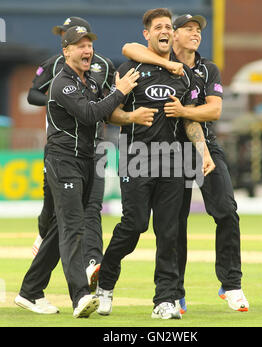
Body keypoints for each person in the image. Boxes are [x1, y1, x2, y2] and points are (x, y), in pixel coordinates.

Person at [16, 26, 156, 318]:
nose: (87, 50)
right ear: (66, 51)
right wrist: (120, 91)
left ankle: (30, 291)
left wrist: (129, 109)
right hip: (64, 159)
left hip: (88, 159)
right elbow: (92, 114)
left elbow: (105, 110)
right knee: (72, 227)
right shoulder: (62, 83)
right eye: (79, 45)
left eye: (89, 45)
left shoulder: (90, 82)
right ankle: (80, 295)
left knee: (59, 229)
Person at [122, 13, 249, 312]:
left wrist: (184, 113)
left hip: (204, 145)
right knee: (172, 225)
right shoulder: (156, 60)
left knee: (227, 211)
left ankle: (231, 284)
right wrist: (167, 64)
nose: (195, 33)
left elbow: (214, 111)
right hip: (170, 151)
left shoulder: (208, 69)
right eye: (188, 29)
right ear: (173, 35)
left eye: (198, 30)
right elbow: (129, 47)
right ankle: (174, 292)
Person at [96, 8, 215, 320]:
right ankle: (105, 286)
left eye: (167, 26)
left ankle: (165, 300)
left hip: (174, 161)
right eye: (158, 27)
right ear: (147, 34)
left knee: (169, 233)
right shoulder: (131, 67)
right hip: (137, 158)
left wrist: (203, 152)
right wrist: (132, 116)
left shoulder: (184, 75)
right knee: (134, 226)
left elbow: (190, 120)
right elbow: (111, 114)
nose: (164, 30)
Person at [29, 17, 115, 288]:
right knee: (52, 210)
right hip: (61, 146)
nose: (68, 38)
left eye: (83, 40)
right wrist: (63, 101)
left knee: (90, 209)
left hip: (93, 146)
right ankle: (42, 241)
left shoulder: (104, 66)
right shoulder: (54, 65)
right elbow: (32, 94)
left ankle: (92, 264)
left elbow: (108, 100)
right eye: (66, 35)